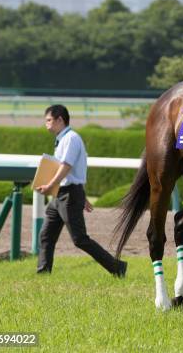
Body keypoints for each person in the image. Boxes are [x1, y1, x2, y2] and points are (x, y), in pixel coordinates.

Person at [36, 105, 127, 277]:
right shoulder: (63, 139)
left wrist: (49, 186)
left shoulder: (71, 138)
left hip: (68, 194)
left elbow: (66, 167)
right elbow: (78, 169)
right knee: (46, 234)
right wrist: (80, 194)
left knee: (79, 239)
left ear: (60, 120)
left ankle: (117, 267)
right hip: (62, 194)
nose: (46, 124)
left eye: (49, 120)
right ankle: (43, 273)